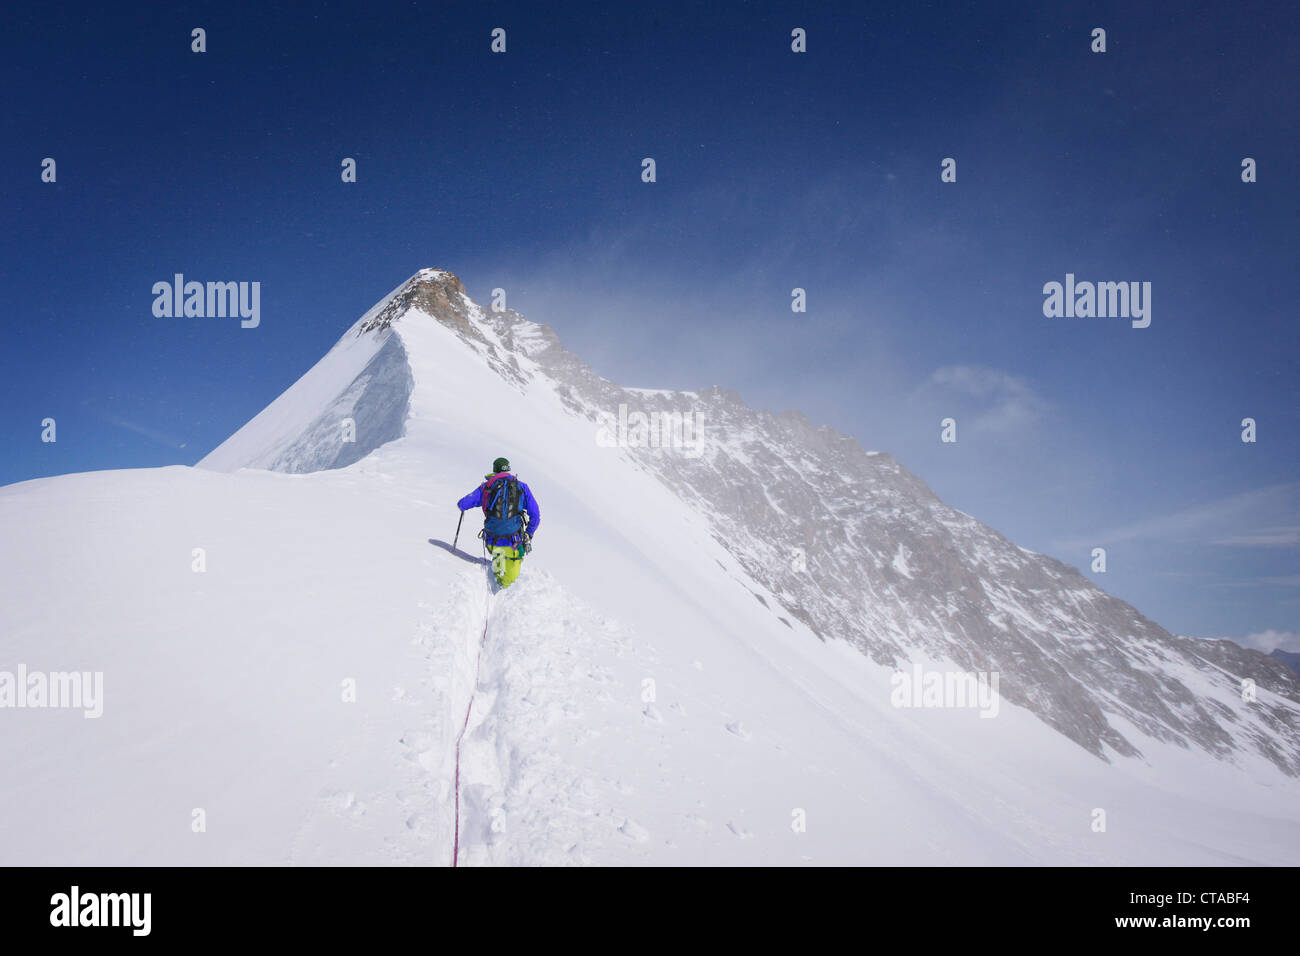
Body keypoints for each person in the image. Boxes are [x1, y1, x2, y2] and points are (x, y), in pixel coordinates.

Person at [457, 457, 540, 588]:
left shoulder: (487, 487)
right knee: (512, 578)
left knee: (499, 563)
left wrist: (462, 506)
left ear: (494, 470)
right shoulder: (521, 487)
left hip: (492, 540)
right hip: (515, 542)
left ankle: (498, 582)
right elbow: (535, 515)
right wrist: (529, 534)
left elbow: (463, 503)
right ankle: (506, 590)